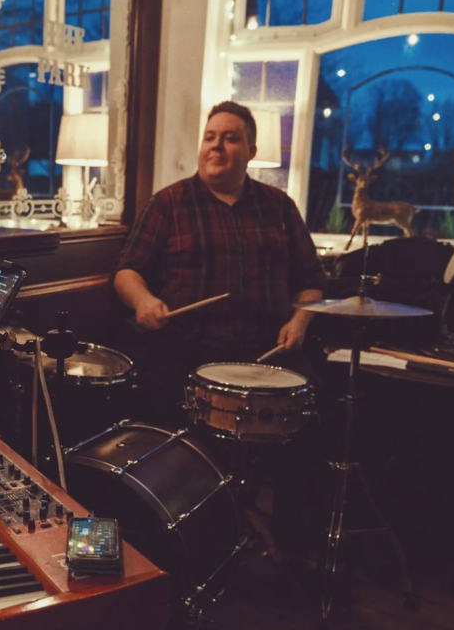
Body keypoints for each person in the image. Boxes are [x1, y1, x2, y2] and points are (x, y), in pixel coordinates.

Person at [113, 100, 328, 557]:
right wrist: (145, 301)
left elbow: (312, 284)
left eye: (230, 138)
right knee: (159, 431)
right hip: (189, 348)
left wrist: (300, 320)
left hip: (269, 352)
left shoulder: (279, 207)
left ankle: (296, 547)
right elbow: (127, 272)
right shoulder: (169, 203)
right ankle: (175, 547)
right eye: (211, 137)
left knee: (315, 424)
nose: (217, 146)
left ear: (251, 149)